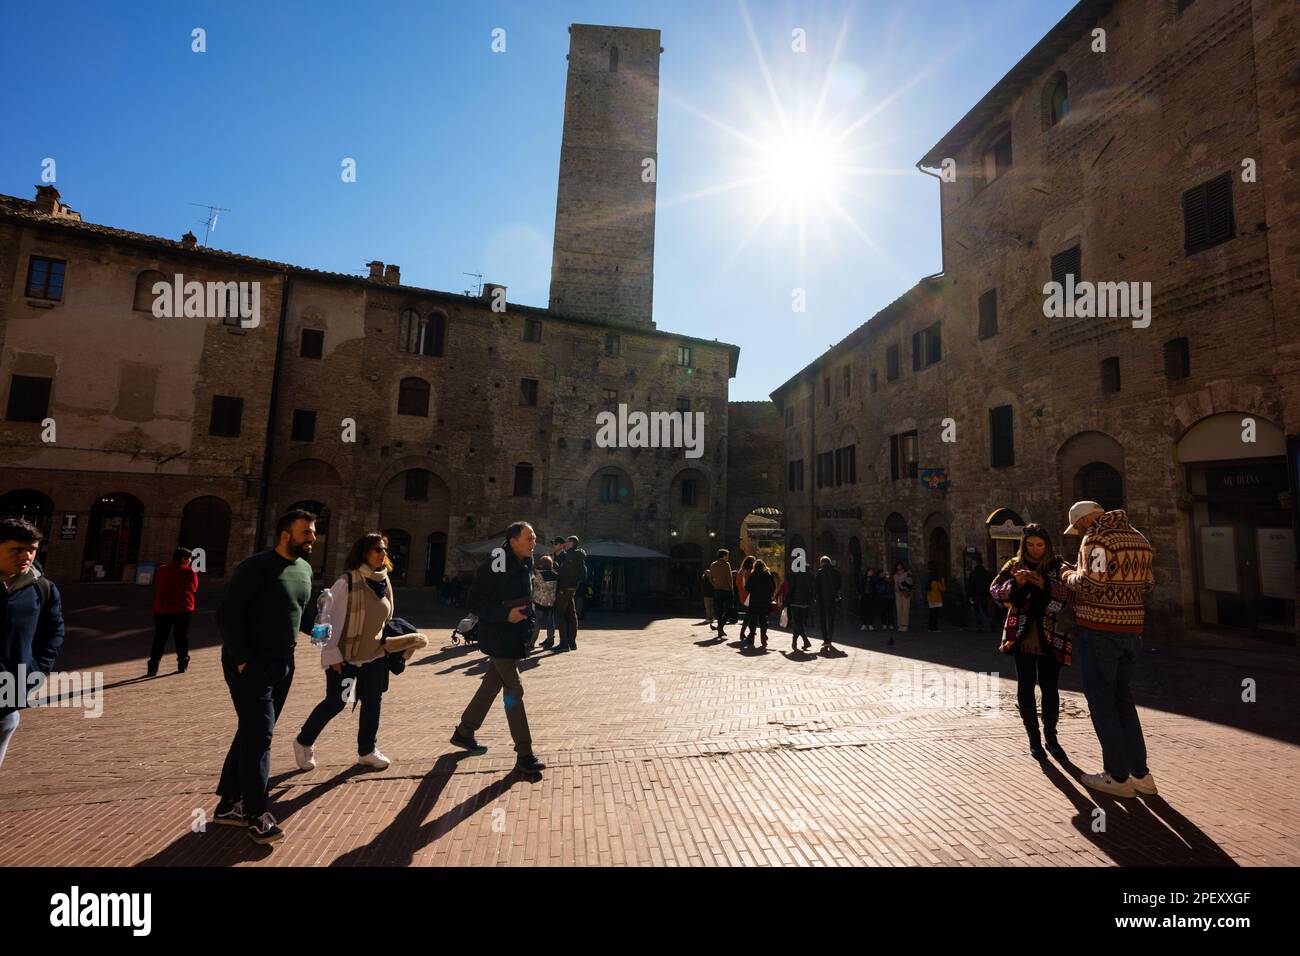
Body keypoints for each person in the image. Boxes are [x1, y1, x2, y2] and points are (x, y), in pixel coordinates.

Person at [213, 509, 315, 845]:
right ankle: (257, 815)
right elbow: (227, 616)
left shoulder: (305, 570)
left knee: (252, 730)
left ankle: (229, 802)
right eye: (306, 533)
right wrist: (243, 661)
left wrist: (321, 631)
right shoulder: (254, 567)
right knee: (261, 736)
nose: (312, 538)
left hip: (284, 663)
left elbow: (301, 615)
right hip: (251, 664)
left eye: (313, 532)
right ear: (286, 535)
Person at [1061, 500, 1156, 798]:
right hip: (1132, 627)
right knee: (1123, 699)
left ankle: (1117, 775)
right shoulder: (1138, 537)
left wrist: (1067, 575)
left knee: (1102, 701)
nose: (1078, 533)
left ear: (1085, 521)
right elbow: (1148, 583)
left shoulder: (1098, 539)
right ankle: (1141, 774)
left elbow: (1093, 584)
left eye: (1077, 527)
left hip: (1101, 628)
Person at [294, 533, 397, 772]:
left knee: (373, 702)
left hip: (375, 654)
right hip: (346, 657)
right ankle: (303, 742)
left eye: (383, 549)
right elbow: (329, 619)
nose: (382, 554)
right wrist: (332, 656)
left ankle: (367, 751)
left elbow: (388, 616)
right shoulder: (346, 582)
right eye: (376, 550)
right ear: (363, 553)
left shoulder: (384, 580)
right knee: (336, 702)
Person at [451, 521, 545, 774]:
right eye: (529, 538)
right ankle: (524, 753)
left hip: (515, 636)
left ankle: (464, 731)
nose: (533, 542)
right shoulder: (497, 562)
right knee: (514, 690)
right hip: (499, 636)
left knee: (490, 685)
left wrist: (527, 613)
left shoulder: (527, 561)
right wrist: (505, 614)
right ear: (513, 541)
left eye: (534, 538)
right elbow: (475, 601)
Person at [990, 525, 1072, 760]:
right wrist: (1016, 583)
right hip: (1022, 634)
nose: (1035, 550)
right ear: (1024, 545)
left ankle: (1051, 737)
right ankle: (1033, 739)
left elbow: (1070, 593)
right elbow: (995, 591)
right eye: (1030, 545)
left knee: (1049, 686)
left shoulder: (1057, 565)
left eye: (1040, 545)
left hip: (1052, 633)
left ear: (1047, 545)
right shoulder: (1014, 565)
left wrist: (1044, 585)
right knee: (1025, 684)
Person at [0, 518, 65, 769]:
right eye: (17, 549)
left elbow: (54, 632)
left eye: (33, 549)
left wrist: (36, 671)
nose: (27, 555)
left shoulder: (42, 588)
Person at [147, 548, 198, 676]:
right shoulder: (189, 571)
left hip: (162, 609)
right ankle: (182, 663)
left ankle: (153, 666)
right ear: (183, 559)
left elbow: (158, 585)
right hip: (182, 609)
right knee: (181, 637)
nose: (190, 561)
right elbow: (193, 588)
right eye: (189, 558)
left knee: (160, 637)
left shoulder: (162, 569)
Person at [554, 536, 586, 651]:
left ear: (571, 543)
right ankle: (572, 643)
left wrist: (559, 573)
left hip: (565, 588)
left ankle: (563, 644)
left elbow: (565, 573)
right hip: (572, 588)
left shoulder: (570, 556)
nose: (565, 543)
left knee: (559, 614)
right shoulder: (578, 555)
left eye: (567, 541)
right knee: (571, 615)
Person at [742, 559, 775, 649]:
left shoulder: (753, 575)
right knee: (763, 620)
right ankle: (763, 637)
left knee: (753, 620)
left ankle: (751, 637)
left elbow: (747, 588)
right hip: (765, 601)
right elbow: (773, 588)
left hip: (754, 602)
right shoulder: (768, 575)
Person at [814, 556, 841, 653]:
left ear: (822, 563)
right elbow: (839, 585)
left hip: (822, 600)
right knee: (831, 620)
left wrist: (815, 597)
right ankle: (829, 639)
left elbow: (816, 586)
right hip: (832, 599)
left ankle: (825, 639)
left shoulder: (820, 572)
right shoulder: (836, 572)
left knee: (822, 620)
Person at [784, 563, 813, 652]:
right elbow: (812, 588)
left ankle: (805, 640)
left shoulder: (796, 574)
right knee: (798, 622)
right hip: (805, 602)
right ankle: (794, 642)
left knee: (797, 622)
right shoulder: (810, 575)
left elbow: (792, 588)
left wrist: (787, 599)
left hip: (795, 601)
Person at [532, 554, 559, 650]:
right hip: (551, 602)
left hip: (540, 602)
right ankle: (550, 640)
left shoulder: (539, 575)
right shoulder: (556, 575)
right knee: (550, 622)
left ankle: (532, 642)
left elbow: (535, 586)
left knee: (537, 622)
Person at [707, 550, 734, 639]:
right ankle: (720, 627)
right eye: (727, 555)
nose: (728, 557)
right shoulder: (726, 565)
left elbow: (710, 578)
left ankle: (720, 629)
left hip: (717, 590)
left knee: (719, 610)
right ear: (724, 556)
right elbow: (729, 578)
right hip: (726, 590)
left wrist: (715, 585)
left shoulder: (713, 564)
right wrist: (731, 589)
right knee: (729, 610)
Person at [967, 556, 992, 633]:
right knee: (986, 610)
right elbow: (990, 584)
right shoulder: (987, 573)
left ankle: (980, 627)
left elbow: (971, 585)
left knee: (977, 611)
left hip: (976, 594)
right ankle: (991, 625)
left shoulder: (973, 573)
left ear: (976, 563)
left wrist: (970, 595)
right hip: (986, 594)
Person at [735, 555, 756, 643]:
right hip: (750, 596)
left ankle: (747, 631)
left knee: (749, 614)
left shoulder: (740, 571)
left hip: (743, 596)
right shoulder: (750, 572)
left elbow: (737, 583)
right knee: (750, 615)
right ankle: (746, 632)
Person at [874, 567, 896, 640]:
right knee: (883, 611)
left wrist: (888, 580)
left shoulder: (890, 579)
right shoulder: (878, 580)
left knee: (890, 611)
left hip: (890, 597)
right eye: (882, 573)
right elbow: (877, 586)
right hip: (882, 597)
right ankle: (884, 624)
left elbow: (892, 586)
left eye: (885, 573)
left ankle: (891, 624)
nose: (884, 574)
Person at [925, 561, 946, 632]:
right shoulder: (936, 583)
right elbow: (943, 589)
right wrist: (943, 581)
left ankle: (930, 628)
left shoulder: (929, 582)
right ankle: (935, 628)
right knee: (935, 615)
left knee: (931, 614)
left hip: (931, 599)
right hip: (937, 599)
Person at [893, 562, 914, 632]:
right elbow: (895, 584)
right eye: (898, 566)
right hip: (898, 593)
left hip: (905, 593)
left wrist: (907, 591)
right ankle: (900, 624)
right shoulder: (895, 575)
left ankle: (905, 625)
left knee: (905, 609)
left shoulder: (906, 573)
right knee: (899, 609)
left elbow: (910, 583)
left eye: (900, 565)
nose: (899, 567)